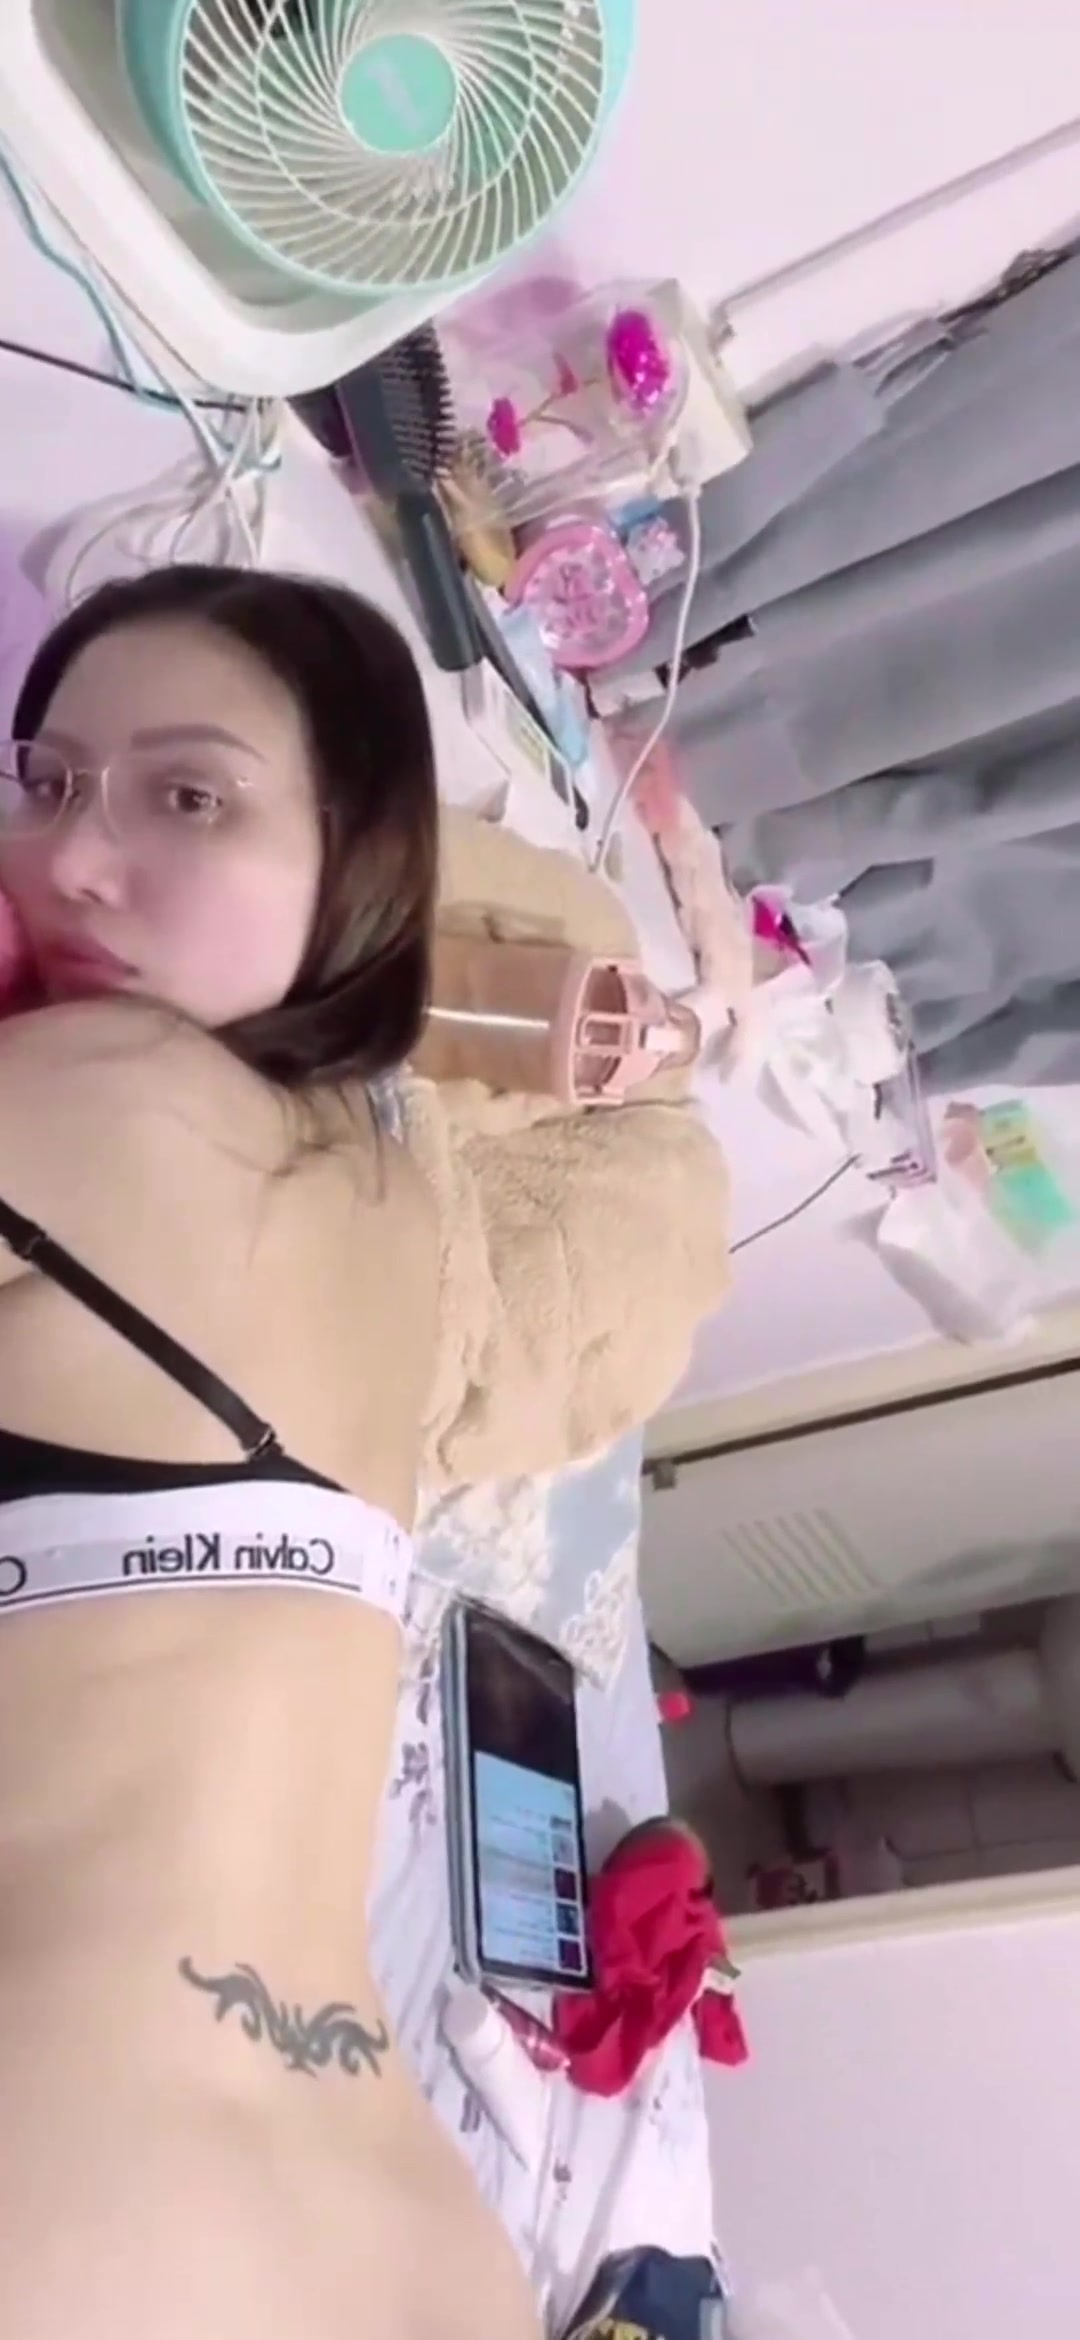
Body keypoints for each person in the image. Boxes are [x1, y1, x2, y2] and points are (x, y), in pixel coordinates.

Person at [0, 566, 541, 2340]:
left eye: (187, 796)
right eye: (46, 780)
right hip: (411, 2251)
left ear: (358, 860)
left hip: (71, 2187)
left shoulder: (95, 1092)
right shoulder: (399, 1198)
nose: (71, 861)